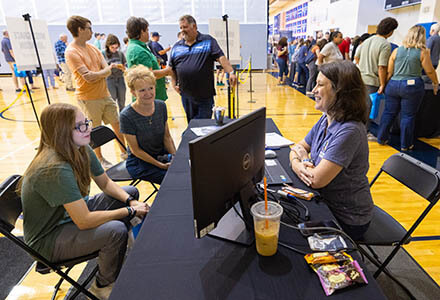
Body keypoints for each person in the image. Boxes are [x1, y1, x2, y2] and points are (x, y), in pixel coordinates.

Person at [19, 103, 149, 300]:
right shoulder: (53, 168)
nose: (88, 128)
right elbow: (84, 221)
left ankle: (124, 254)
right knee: (115, 231)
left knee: (128, 191)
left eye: (86, 122)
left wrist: (130, 201)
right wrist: (129, 212)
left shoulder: (80, 147)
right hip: (48, 239)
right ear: (61, 132)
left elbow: (105, 183)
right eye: (80, 126)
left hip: (67, 218)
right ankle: (103, 286)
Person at [289, 61, 373, 240]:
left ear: (340, 91)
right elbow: (297, 147)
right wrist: (303, 161)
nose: (313, 90)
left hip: (347, 218)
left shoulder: (350, 131)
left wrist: (302, 161)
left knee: (290, 232)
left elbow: (316, 180)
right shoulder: (326, 119)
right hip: (326, 201)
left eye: (320, 85)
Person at [65, 15, 127, 169]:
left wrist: (102, 72)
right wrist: (103, 72)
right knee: (93, 131)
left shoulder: (93, 48)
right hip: (88, 98)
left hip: (105, 95)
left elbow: (105, 70)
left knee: (117, 124)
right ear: (80, 30)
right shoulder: (72, 52)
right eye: (89, 28)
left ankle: (125, 153)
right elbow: (89, 77)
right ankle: (99, 159)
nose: (92, 32)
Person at [377, 25, 439, 151]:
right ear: (422, 37)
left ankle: (382, 138)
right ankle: (405, 145)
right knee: (408, 116)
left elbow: (389, 72)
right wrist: (435, 83)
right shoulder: (423, 52)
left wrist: (383, 85)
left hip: (393, 85)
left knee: (389, 112)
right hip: (412, 87)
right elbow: (430, 71)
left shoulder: (396, 51)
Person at [169, 15, 237, 123]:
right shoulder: (177, 47)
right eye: (181, 28)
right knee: (191, 123)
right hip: (186, 96)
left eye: (185, 27)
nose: (182, 30)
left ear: (194, 26)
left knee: (202, 124)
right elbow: (171, 69)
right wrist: (173, 84)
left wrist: (231, 72)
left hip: (205, 96)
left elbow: (221, 57)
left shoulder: (208, 41)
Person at [120, 65, 176, 184]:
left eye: (150, 88)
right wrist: (160, 165)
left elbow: (167, 137)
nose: (148, 93)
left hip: (161, 155)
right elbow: (136, 151)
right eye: (142, 90)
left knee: (187, 170)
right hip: (140, 161)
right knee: (172, 179)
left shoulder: (161, 106)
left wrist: (175, 157)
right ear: (133, 92)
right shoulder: (126, 116)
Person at [355, 17, 398, 141]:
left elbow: (356, 58)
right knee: (368, 108)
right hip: (372, 81)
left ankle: (359, 130)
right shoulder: (385, 44)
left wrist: (363, 66)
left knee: (360, 106)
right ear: (390, 31)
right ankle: (364, 132)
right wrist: (383, 84)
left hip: (360, 78)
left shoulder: (366, 41)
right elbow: (382, 67)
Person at [125, 17, 170, 101]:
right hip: (149, 99)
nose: (148, 33)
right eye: (147, 30)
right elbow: (148, 76)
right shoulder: (138, 50)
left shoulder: (138, 47)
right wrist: (168, 71)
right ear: (142, 31)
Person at [102, 34, 127, 112]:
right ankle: (114, 120)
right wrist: (110, 67)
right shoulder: (103, 54)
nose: (114, 50)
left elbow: (125, 67)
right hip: (109, 79)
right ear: (108, 46)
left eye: (116, 47)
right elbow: (100, 69)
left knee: (122, 100)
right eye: (112, 47)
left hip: (120, 79)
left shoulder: (120, 53)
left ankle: (122, 118)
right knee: (112, 100)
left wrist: (121, 67)